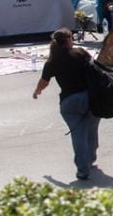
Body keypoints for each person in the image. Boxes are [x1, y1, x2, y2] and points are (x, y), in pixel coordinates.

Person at [32, 28, 100, 181]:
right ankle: (90, 160)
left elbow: (44, 82)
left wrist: (37, 92)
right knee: (91, 130)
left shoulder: (52, 61)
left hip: (69, 103)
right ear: (69, 39)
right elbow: (96, 68)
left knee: (78, 135)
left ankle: (83, 170)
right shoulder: (80, 53)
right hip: (90, 98)